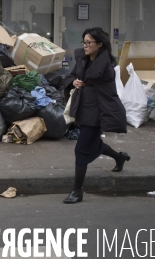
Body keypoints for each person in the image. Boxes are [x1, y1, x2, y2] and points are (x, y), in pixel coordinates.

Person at [63, 27, 129, 204]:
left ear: (99, 44)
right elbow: (70, 76)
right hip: (84, 110)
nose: (85, 46)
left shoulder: (105, 65)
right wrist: (73, 81)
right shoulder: (83, 60)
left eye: (89, 43)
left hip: (98, 113)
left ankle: (77, 191)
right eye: (83, 42)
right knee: (94, 143)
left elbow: (93, 76)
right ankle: (119, 157)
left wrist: (81, 77)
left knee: (81, 149)